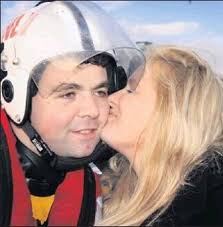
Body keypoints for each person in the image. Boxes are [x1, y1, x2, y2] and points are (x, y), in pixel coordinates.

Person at [0, 1, 145, 226]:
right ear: (14, 97)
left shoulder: (115, 179)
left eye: (100, 91)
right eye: (68, 93)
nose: (93, 111)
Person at [99, 45, 223, 226]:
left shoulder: (210, 209)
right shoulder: (118, 188)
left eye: (131, 90)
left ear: (172, 111)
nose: (111, 98)